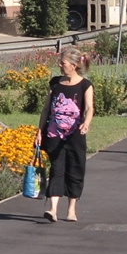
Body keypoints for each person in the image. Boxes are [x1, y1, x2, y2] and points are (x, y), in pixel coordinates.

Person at [34, 46, 94, 223]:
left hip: (75, 135)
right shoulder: (55, 83)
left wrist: (86, 123)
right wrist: (40, 131)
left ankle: (71, 210)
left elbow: (90, 108)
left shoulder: (85, 85)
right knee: (57, 169)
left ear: (74, 65)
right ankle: (53, 209)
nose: (60, 65)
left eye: (63, 63)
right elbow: (46, 109)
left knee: (75, 169)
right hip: (54, 134)